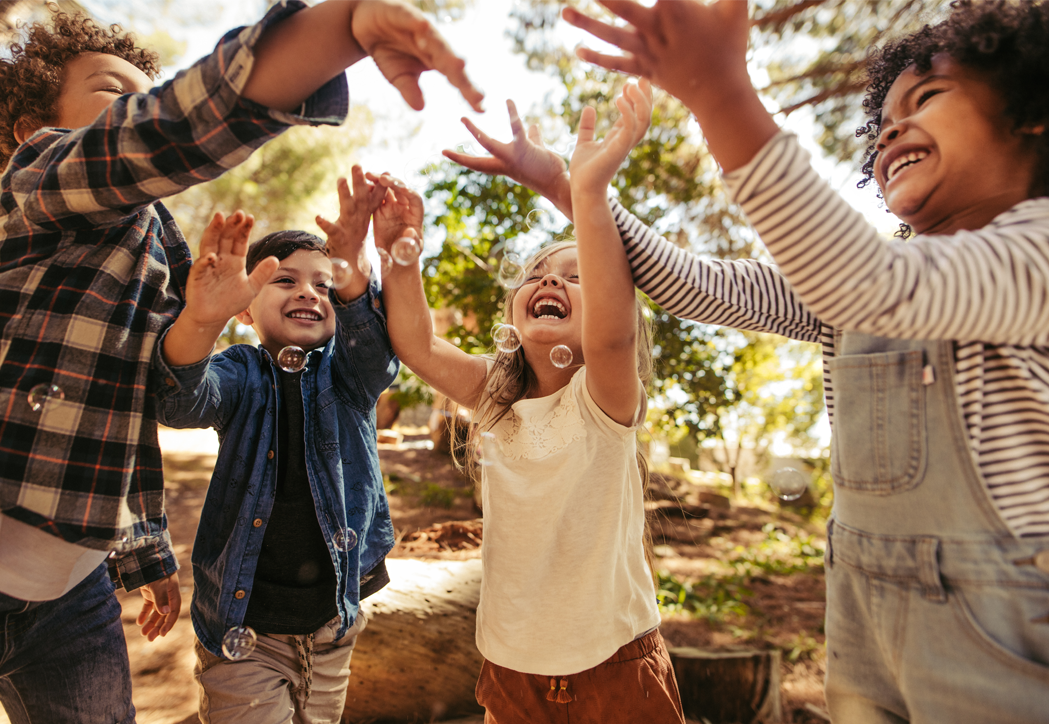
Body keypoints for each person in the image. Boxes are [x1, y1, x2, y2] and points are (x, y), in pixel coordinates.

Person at [449, 0, 1049, 721]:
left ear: (1030, 112)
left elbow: (877, 285)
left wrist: (720, 95)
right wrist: (575, 188)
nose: (891, 128)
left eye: (926, 97)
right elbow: (693, 282)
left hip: (1002, 628)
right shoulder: (851, 285)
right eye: (882, 120)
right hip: (865, 618)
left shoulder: (1035, 249)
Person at [0, 2, 481, 721]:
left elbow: (127, 409)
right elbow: (156, 137)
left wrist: (145, 553)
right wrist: (335, 33)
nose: (134, 104)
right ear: (32, 129)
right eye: (113, 91)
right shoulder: (40, 183)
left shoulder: (165, 250)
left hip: (74, 590)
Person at [371, 80, 683, 724]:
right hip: (511, 666)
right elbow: (418, 344)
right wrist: (400, 255)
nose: (549, 279)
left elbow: (614, 325)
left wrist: (587, 193)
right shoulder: (497, 397)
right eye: (539, 273)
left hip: (614, 666)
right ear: (515, 307)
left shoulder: (604, 396)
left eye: (576, 275)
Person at [151, 164, 397, 724]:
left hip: (333, 624)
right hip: (244, 630)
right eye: (284, 281)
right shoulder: (241, 371)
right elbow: (180, 401)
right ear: (244, 307)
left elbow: (376, 354)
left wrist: (355, 269)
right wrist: (199, 318)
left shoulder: (348, 376)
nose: (309, 292)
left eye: (324, 283)